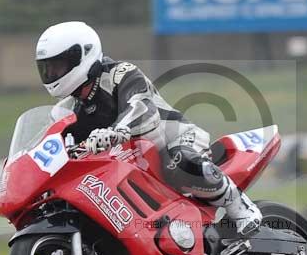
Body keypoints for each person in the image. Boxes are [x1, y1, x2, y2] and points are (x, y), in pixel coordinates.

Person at [34, 21, 262, 235]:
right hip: (126, 164)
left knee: (180, 162)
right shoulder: (66, 109)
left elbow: (142, 106)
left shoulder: (121, 74)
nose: (53, 74)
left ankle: (240, 208)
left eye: (59, 66)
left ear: (83, 55)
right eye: (48, 68)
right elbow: (55, 146)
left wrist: (117, 131)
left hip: (172, 139)